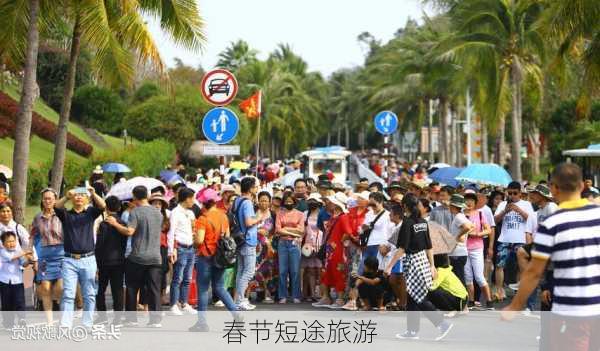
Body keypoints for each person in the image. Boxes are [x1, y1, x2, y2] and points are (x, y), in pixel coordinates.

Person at [502, 163, 600, 351]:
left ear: (553, 188)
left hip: (571, 311)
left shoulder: (552, 224)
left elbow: (533, 272)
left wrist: (515, 306)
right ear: (581, 186)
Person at [385, 193, 453, 341]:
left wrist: (389, 266)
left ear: (404, 206)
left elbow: (402, 248)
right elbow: (429, 246)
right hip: (423, 260)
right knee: (412, 296)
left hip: (413, 261)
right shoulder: (422, 221)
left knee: (419, 297)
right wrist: (432, 265)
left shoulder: (407, 223)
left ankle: (442, 324)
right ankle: (412, 331)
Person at [107, 186, 163, 328]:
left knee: (132, 287)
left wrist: (115, 224)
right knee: (154, 289)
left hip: (137, 256)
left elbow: (129, 231)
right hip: (155, 256)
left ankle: (132, 319)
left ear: (135, 197)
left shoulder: (135, 212)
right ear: (148, 195)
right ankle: (155, 320)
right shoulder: (158, 213)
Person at [189, 189, 240, 332]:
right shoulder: (223, 216)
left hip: (205, 256)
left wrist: (193, 242)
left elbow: (199, 240)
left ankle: (202, 323)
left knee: (203, 289)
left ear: (204, 203)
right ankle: (236, 313)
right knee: (220, 287)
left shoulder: (203, 219)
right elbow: (227, 236)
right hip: (220, 256)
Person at [54, 186, 106, 328]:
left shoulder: (90, 213)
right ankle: (65, 324)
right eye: (76, 195)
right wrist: (66, 196)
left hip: (88, 259)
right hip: (69, 260)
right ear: (72, 198)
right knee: (68, 294)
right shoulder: (66, 214)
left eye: (82, 195)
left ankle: (87, 324)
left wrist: (94, 194)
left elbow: (103, 205)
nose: (78, 197)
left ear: (86, 199)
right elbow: (57, 206)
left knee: (89, 294)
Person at [494, 181, 534, 301]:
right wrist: (504, 211)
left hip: (520, 239)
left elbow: (531, 221)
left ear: (520, 193)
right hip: (504, 239)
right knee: (499, 265)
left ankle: (519, 292)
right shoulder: (502, 204)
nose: (512, 195)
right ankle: (500, 291)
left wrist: (518, 210)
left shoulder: (526, 204)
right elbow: (494, 221)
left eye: (515, 193)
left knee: (520, 267)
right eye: (509, 193)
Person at [312, 192, 353, 309]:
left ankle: (340, 299)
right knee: (326, 272)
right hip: (330, 250)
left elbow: (348, 232)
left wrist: (340, 242)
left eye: (331, 201)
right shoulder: (333, 217)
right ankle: (326, 297)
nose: (328, 203)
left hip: (338, 250)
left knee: (338, 272)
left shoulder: (343, 217)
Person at [233, 177, 268, 310]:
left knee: (241, 271)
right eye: (256, 186)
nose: (257, 188)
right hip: (248, 240)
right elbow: (248, 222)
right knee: (248, 272)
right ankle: (239, 300)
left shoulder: (237, 200)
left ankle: (239, 299)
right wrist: (258, 218)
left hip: (240, 240)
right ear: (251, 188)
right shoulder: (247, 202)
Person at [30, 188, 63, 324]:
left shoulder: (62, 215)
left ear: (55, 200)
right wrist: (32, 255)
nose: (47, 201)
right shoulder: (37, 218)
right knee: (45, 288)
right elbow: (32, 236)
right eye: (45, 198)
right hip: (44, 256)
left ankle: (56, 301)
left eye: (50, 198)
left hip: (61, 254)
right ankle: (49, 322)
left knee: (60, 287)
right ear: (42, 201)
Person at [94, 196, 127, 325]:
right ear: (119, 208)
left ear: (106, 208)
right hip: (119, 260)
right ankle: (118, 318)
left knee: (100, 289)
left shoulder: (104, 224)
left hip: (103, 261)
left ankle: (102, 316)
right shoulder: (122, 223)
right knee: (117, 290)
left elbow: (99, 244)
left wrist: (96, 261)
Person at [167, 187, 197, 315]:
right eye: (192, 198)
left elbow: (193, 229)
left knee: (187, 278)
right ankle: (173, 304)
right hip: (180, 247)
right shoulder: (175, 212)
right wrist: (171, 250)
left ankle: (184, 303)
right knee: (177, 278)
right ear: (187, 198)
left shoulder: (190, 213)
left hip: (190, 248)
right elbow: (171, 232)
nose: (194, 201)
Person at [463, 192, 494, 310]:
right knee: (468, 276)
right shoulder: (460, 215)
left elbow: (488, 230)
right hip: (463, 248)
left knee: (479, 276)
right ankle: (471, 301)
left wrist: (477, 234)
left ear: (475, 203)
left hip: (476, 248)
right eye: (466, 200)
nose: (469, 202)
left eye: (471, 200)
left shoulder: (480, 214)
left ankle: (489, 301)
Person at [275, 192, 305, 303]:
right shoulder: (279, 213)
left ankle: (296, 295)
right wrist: (294, 230)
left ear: (294, 202)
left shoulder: (300, 214)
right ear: (283, 202)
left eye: (290, 201)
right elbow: (278, 229)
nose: (288, 203)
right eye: (287, 201)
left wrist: (286, 229)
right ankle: (282, 295)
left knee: (295, 271)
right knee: (282, 271)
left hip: (295, 244)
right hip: (282, 243)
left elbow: (301, 230)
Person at [0, 231, 34, 328]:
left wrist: (29, 260)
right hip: (5, 281)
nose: (12, 243)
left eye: (13, 241)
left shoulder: (18, 252)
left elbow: (23, 264)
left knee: (20, 301)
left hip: (18, 281)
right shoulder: (2, 252)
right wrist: (24, 252)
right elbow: (11, 258)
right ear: (3, 243)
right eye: (9, 242)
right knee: (7, 303)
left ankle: (22, 319)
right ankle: (8, 323)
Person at [254, 191, 277, 303]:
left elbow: (276, 230)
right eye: (262, 200)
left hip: (268, 246)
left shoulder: (273, 214)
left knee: (268, 270)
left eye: (266, 201)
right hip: (255, 246)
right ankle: (259, 292)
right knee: (256, 269)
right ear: (258, 201)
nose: (264, 203)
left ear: (270, 202)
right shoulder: (253, 212)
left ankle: (268, 294)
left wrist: (270, 239)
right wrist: (258, 230)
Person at [447, 194, 473, 287]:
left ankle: (462, 299)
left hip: (457, 252)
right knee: (458, 277)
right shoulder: (461, 216)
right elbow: (471, 226)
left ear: (453, 206)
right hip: (460, 252)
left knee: (458, 279)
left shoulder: (458, 217)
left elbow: (467, 227)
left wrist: (457, 236)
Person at [302, 193, 324, 302]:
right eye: (310, 201)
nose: (312, 203)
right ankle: (311, 293)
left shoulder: (323, 213)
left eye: (314, 201)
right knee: (310, 269)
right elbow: (303, 229)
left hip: (320, 243)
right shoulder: (305, 213)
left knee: (319, 270)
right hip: (308, 244)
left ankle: (318, 292)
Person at [149, 193, 170, 306]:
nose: (157, 205)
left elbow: (168, 230)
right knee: (152, 273)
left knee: (163, 271)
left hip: (163, 247)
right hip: (152, 247)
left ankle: (162, 296)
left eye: (159, 204)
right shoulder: (148, 216)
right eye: (155, 203)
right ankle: (152, 297)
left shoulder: (165, 217)